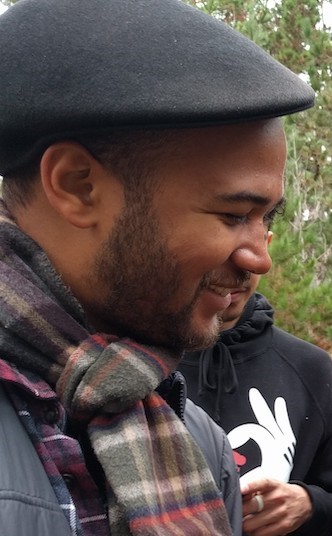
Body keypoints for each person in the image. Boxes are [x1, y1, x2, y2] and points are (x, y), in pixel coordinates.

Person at [0, 0, 315, 534]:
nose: (260, 257)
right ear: (78, 185)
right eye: (234, 214)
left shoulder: (194, 440)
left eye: (266, 218)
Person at [179, 269, 332, 536]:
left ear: (265, 246)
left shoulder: (310, 366)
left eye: (246, 255)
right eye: (221, 251)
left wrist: (309, 504)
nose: (231, 273)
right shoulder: (138, 362)